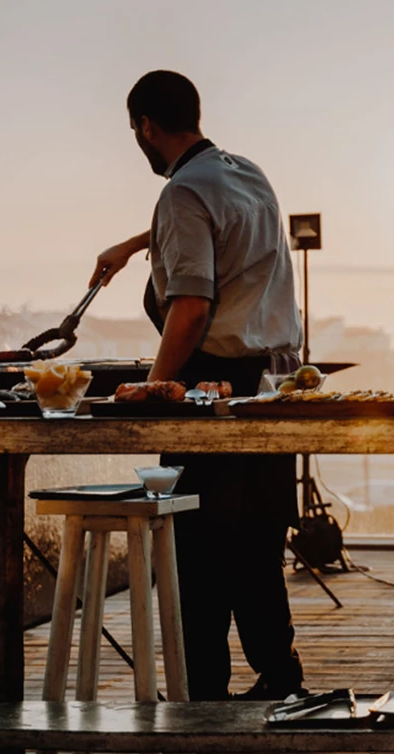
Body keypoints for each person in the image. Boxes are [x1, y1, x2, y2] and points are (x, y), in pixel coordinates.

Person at [90, 70, 307, 701]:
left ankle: (200, 689)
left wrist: (154, 386)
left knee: (197, 544)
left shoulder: (181, 193)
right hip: (273, 385)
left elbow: (189, 309)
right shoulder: (246, 172)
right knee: (259, 537)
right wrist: (136, 244)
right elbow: (220, 225)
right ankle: (280, 675)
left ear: (145, 127)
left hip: (213, 383)